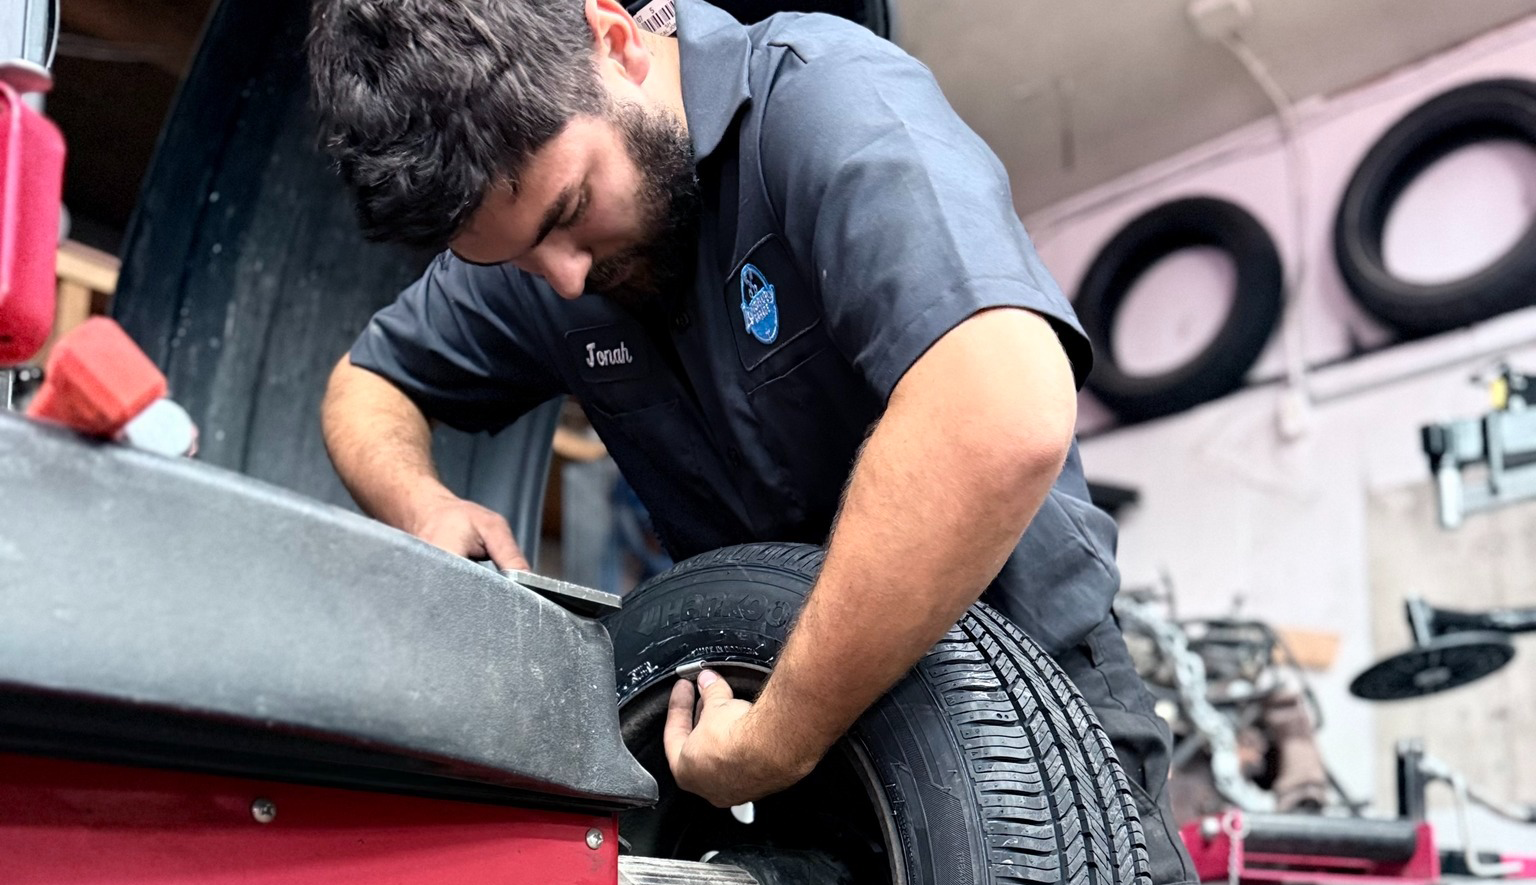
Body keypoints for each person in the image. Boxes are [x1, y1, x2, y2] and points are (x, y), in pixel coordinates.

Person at [307, 1, 1195, 880]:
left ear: (616, 45)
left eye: (570, 209)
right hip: (780, 753)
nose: (564, 280)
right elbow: (365, 385)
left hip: (1023, 718)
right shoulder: (545, 254)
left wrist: (783, 733)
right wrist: (423, 503)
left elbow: (1003, 409)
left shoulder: (821, 101)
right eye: (516, 260)